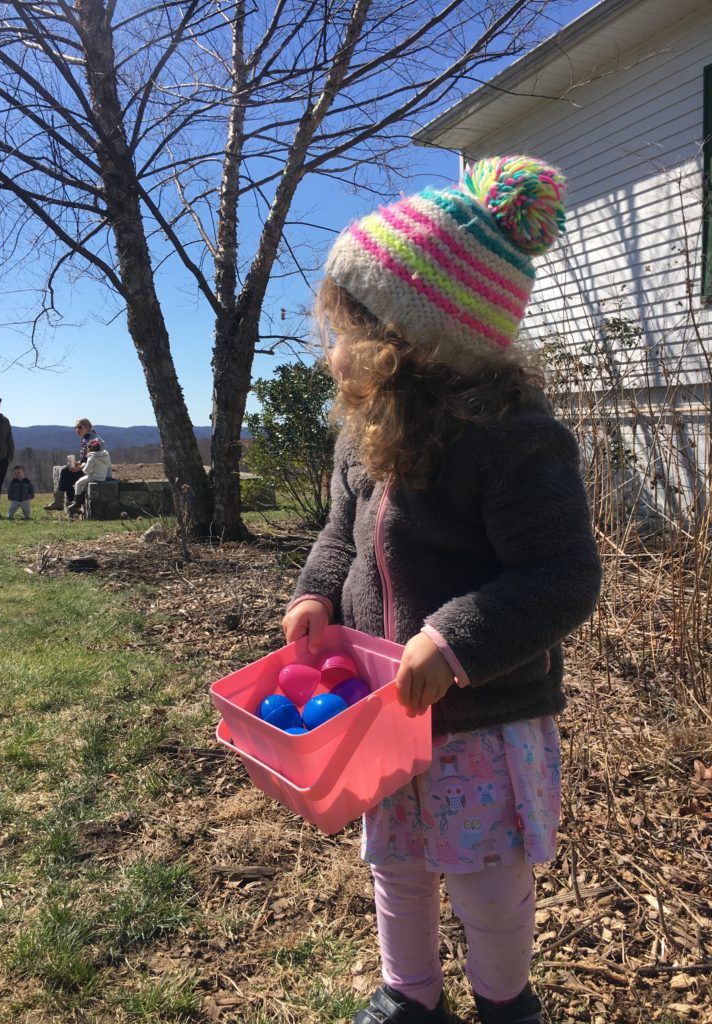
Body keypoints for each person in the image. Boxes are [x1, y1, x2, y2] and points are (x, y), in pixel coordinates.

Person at [281, 156, 602, 1024]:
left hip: (478, 721)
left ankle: (505, 1003)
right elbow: (342, 536)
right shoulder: (361, 438)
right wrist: (316, 593)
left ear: (411, 345)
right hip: (383, 715)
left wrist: (451, 638)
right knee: (398, 866)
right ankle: (410, 995)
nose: (331, 355)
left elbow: (562, 577)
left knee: (486, 882)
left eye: (346, 333)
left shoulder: (513, 442)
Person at [44, 418, 103, 510]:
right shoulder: (85, 439)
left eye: (80, 427)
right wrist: (78, 463)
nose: (77, 430)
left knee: (66, 472)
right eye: (76, 427)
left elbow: (94, 459)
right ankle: (70, 502)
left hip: (94, 470)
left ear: (87, 427)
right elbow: (85, 459)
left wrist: (79, 467)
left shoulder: (93, 440)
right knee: (67, 472)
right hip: (88, 467)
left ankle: (62, 502)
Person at [66, 438, 112, 518]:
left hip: (94, 476)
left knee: (78, 483)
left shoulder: (92, 457)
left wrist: (81, 467)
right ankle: (80, 499)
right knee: (82, 485)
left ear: (89, 448)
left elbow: (86, 471)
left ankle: (77, 503)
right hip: (102, 476)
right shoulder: (105, 455)